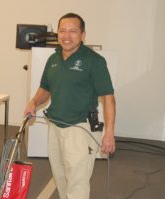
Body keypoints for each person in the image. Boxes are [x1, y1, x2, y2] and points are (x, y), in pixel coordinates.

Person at [24, 13, 116, 199]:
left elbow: (108, 98)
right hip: (55, 126)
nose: (67, 36)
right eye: (62, 31)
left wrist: (109, 132)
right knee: (60, 177)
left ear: (83, 35)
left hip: (80, 129)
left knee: (77, 182)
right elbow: (45, 88)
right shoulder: (54, 59)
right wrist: (33, 102)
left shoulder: (94, 61)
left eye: (73, 31)